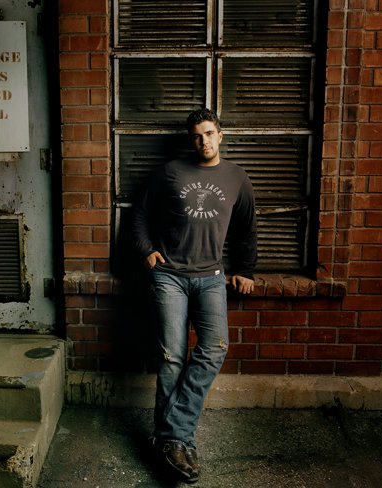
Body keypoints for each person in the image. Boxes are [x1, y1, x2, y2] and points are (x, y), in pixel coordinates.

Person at [132, 108, 257, 483]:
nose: (204, 141)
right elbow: (139, 214)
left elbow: (247, 228)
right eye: (197, 136)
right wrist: (146, 250)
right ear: (192, 140)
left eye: (209, 133)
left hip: (212, 277)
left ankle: (168, 436)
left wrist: (246, 269)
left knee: (215, 348)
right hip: (169, 275)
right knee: (171, 357)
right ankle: (179, 443)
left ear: (221, 135)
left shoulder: (236, 177)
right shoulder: (170, 172)